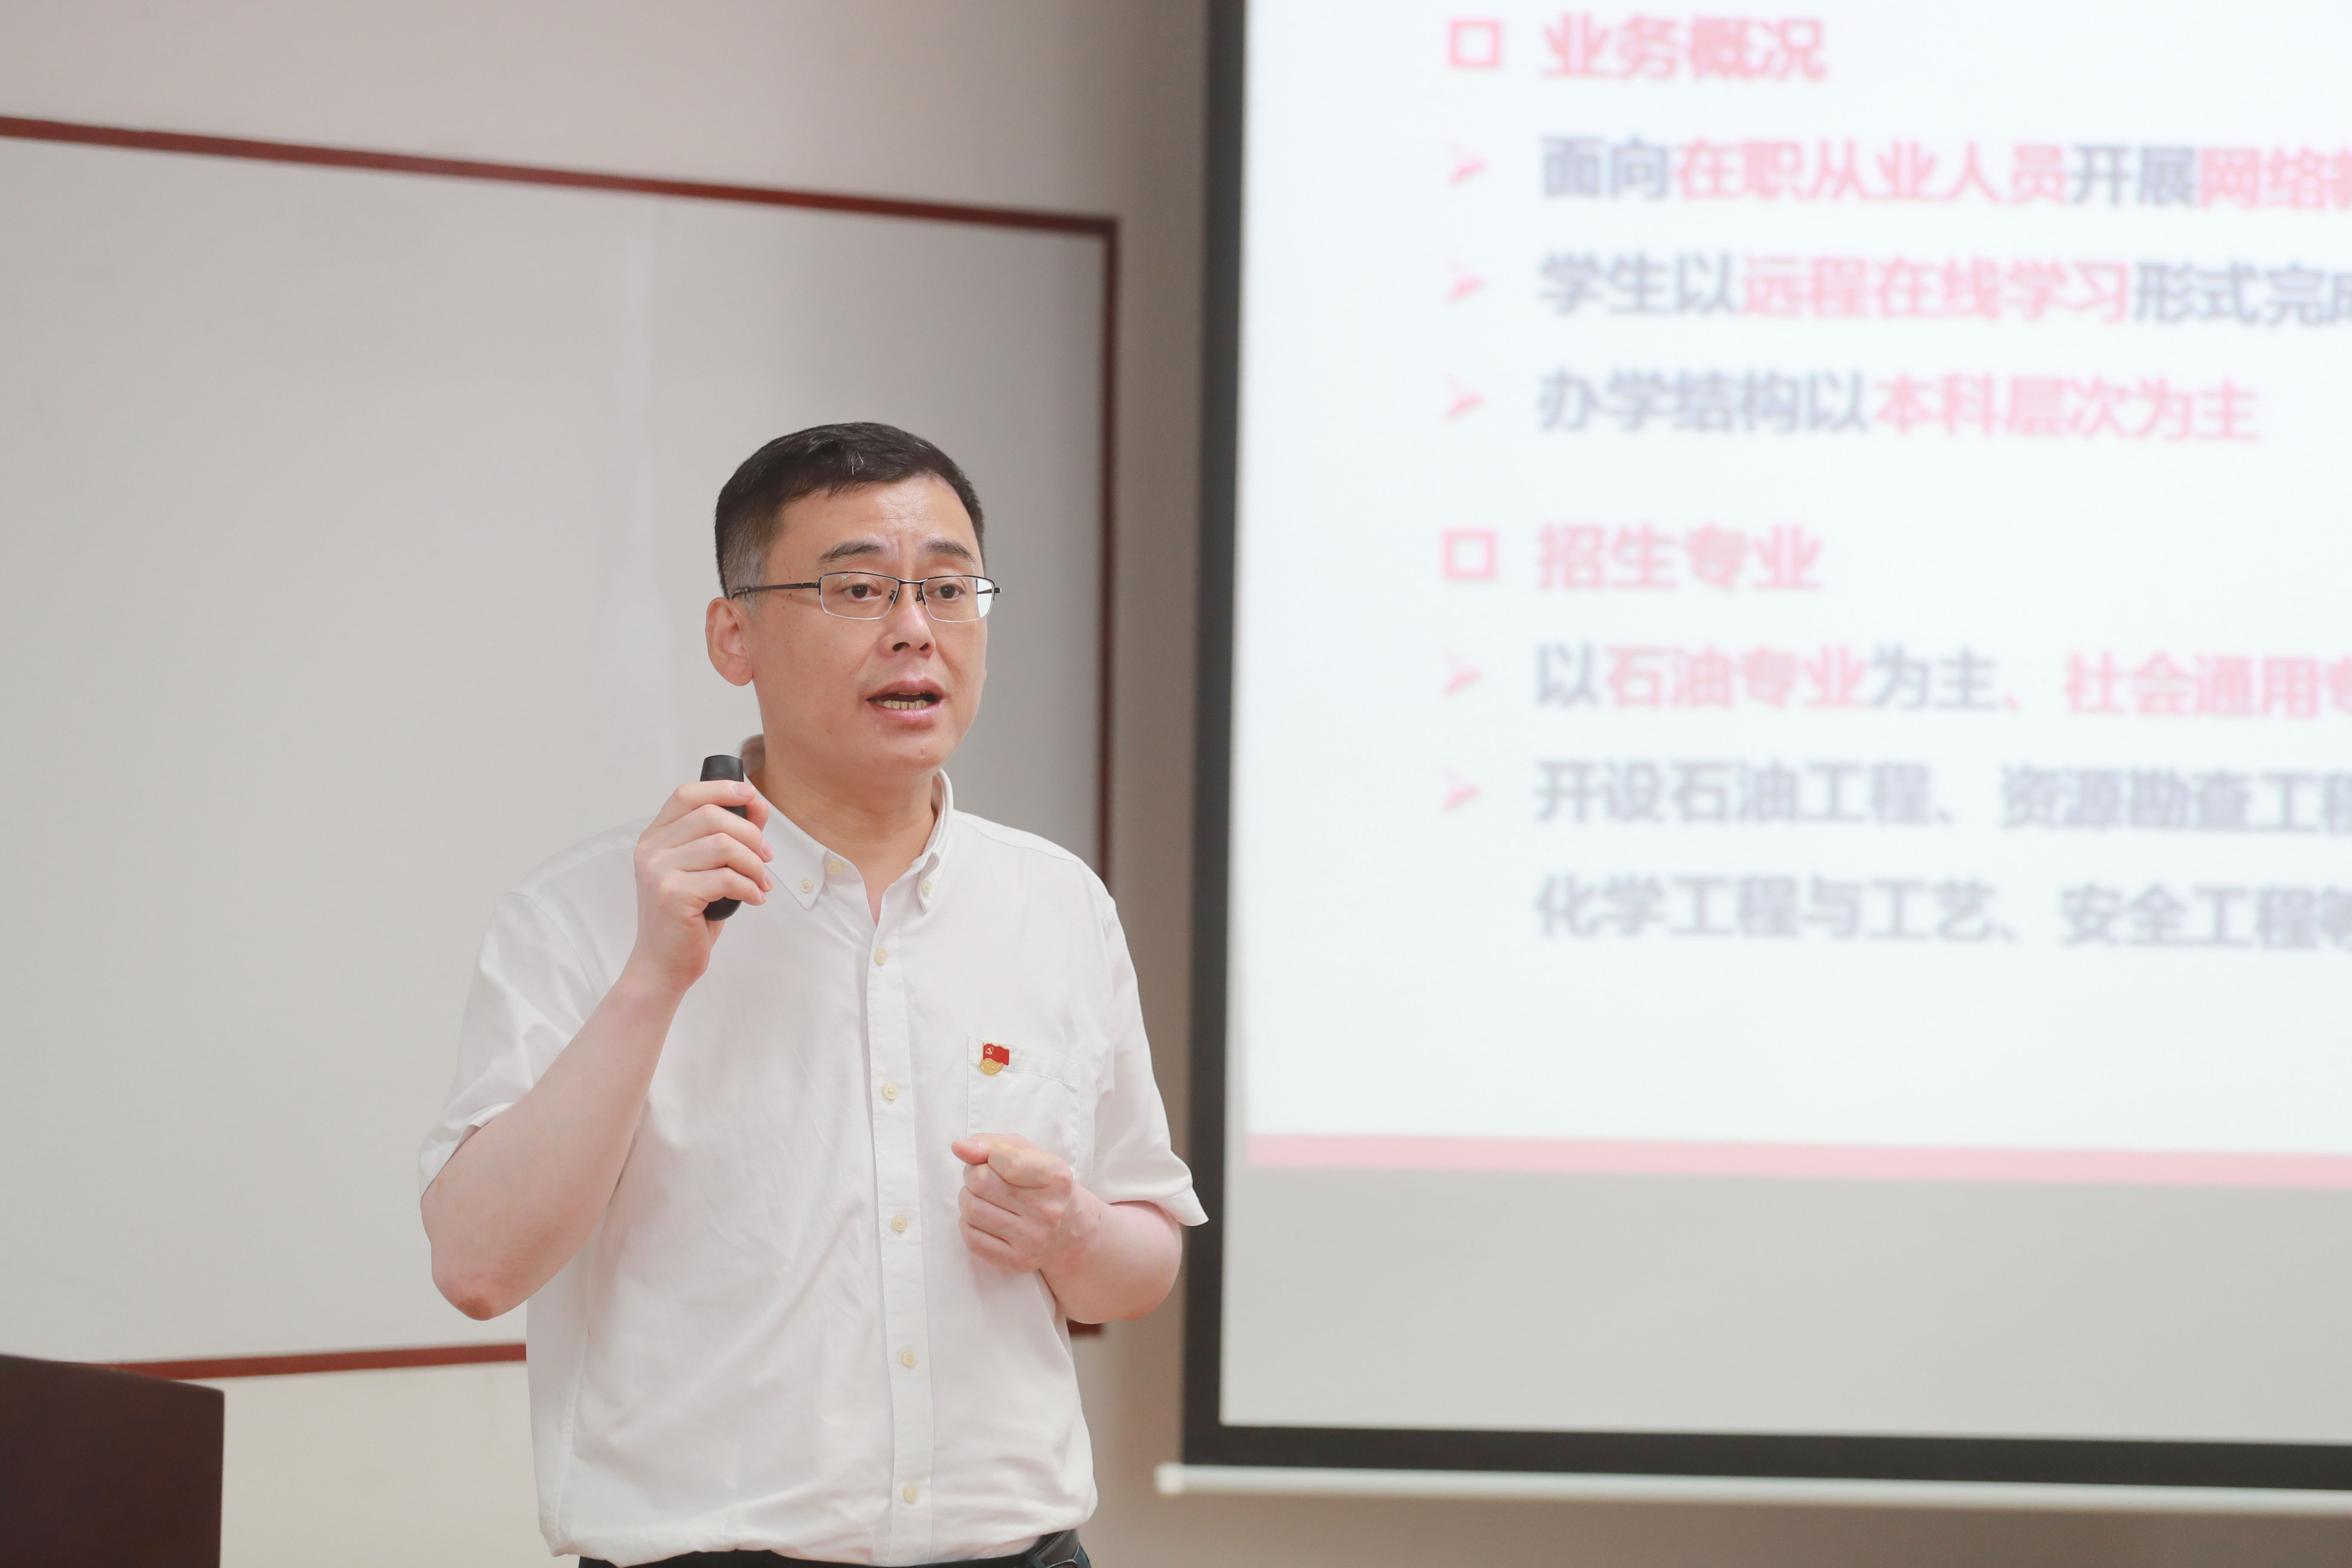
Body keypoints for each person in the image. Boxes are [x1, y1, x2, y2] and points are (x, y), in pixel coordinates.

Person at [417, 423, 1203, 1568]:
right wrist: (655, 976)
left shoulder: (1057, 903)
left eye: (948, 588)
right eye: (857, 588)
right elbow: (479, 1271)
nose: (915, 629)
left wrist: (1070, 1231)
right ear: (733, 635)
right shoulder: (583, 914)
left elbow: (1144, 1260)